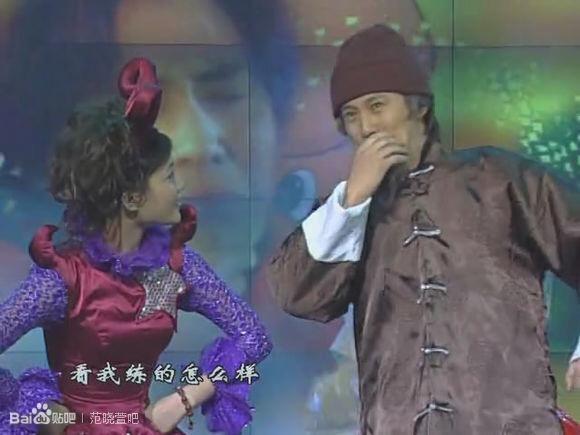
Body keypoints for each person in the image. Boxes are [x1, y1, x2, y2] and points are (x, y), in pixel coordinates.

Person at [267, 24, 580, 434]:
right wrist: (352, 198)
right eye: (351, 115)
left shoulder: (501, 180)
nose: (366, 127)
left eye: (377, 106)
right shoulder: (346, 212)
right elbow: (297, 295)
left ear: (419, 107)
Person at [0, 57, 272, 434]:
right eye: (169, 176)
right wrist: (44, 413)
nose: (180, 187)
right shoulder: (63, 277)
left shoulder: (176, 267)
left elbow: (254, 337)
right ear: (131, 198)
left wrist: (182, 400)